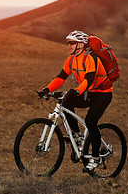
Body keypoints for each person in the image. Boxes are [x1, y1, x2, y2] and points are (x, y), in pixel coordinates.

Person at [37, 30, 113, 173]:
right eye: (68, 43)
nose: (69, 45)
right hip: (88, 93)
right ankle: (77, 136)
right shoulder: (71, 59)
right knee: (66, 102)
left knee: (91, 121)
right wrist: (46, 89)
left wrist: (77, 91)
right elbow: (61, 77)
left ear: (81, 44)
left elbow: (89, 80)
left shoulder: (91, 58)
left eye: (72, 43)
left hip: (102, 94)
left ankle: (96, 158)